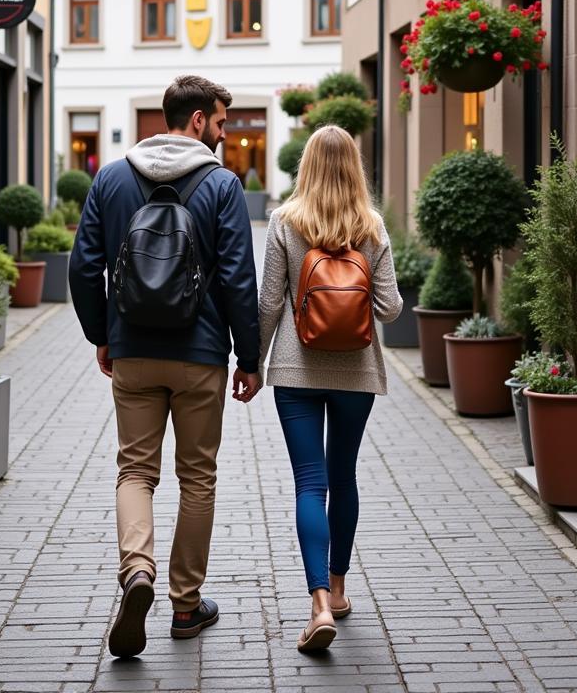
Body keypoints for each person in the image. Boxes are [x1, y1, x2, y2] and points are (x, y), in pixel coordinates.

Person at [69, 75, 262, 659]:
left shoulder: (110, 176)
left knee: (135, 471)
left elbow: (83, 266)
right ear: (198, 120)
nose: (226, 136)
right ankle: (185, 605)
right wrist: (249, 358)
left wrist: (102, 335)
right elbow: (236, 277)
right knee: (197, 478)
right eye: (223, 124)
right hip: (200, 355)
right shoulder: (223, 185)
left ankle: (137, 571)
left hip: (132, 350)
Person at [258, 125, 402, 653]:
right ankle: (340, 589)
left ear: (307, 167)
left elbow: (269, 304)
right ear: (355, 169)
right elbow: (389, 309)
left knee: (308, 483)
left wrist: (250, 366)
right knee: (344, 477)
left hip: (296, 372)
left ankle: (317, 603)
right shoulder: (373, 226)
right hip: (356, 372)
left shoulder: (283, 222)